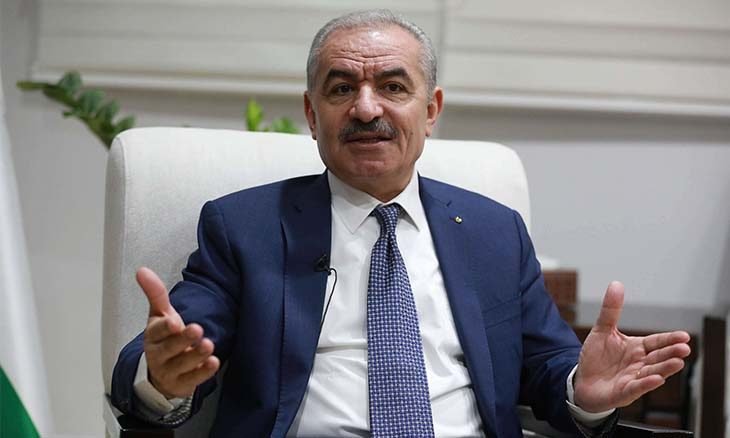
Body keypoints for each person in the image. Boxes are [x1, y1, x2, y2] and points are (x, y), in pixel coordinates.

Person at [111, 9, 691, 437]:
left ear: (430, 110)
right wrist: (161, 379)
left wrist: (583, 391)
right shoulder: (245, 227)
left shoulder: (494, 231)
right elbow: (178, 348)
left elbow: (547, 367)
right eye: (342, 89)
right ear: (312, 113)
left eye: (392, 87)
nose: (367, 109)